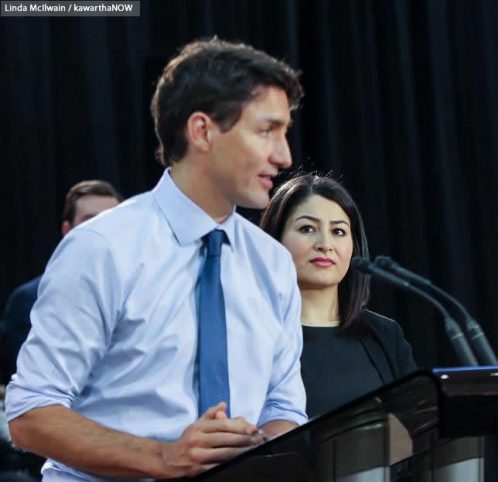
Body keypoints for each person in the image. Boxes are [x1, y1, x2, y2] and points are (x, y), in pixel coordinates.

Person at [6, 38, 306, 481]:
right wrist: (161, 458)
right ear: (202, 131)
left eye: (285, 133)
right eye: (266, 131)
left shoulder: (273, 263)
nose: (285, 157)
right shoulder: (103, 248)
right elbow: (31, 413)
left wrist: (262, 452)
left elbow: (283, 407)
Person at [260, 174, 417, 418]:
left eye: (339, 231)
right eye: (307, 228)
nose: (325, 244)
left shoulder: (385, 335)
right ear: (274, 240)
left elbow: (416, 433)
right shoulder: (251, 334)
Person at [0, 180, 123, 384]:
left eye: (112, 221)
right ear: (67, 231)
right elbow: (31, 388)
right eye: (91, 221)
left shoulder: (144, 293)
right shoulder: (29, 300)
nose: (104, 230)